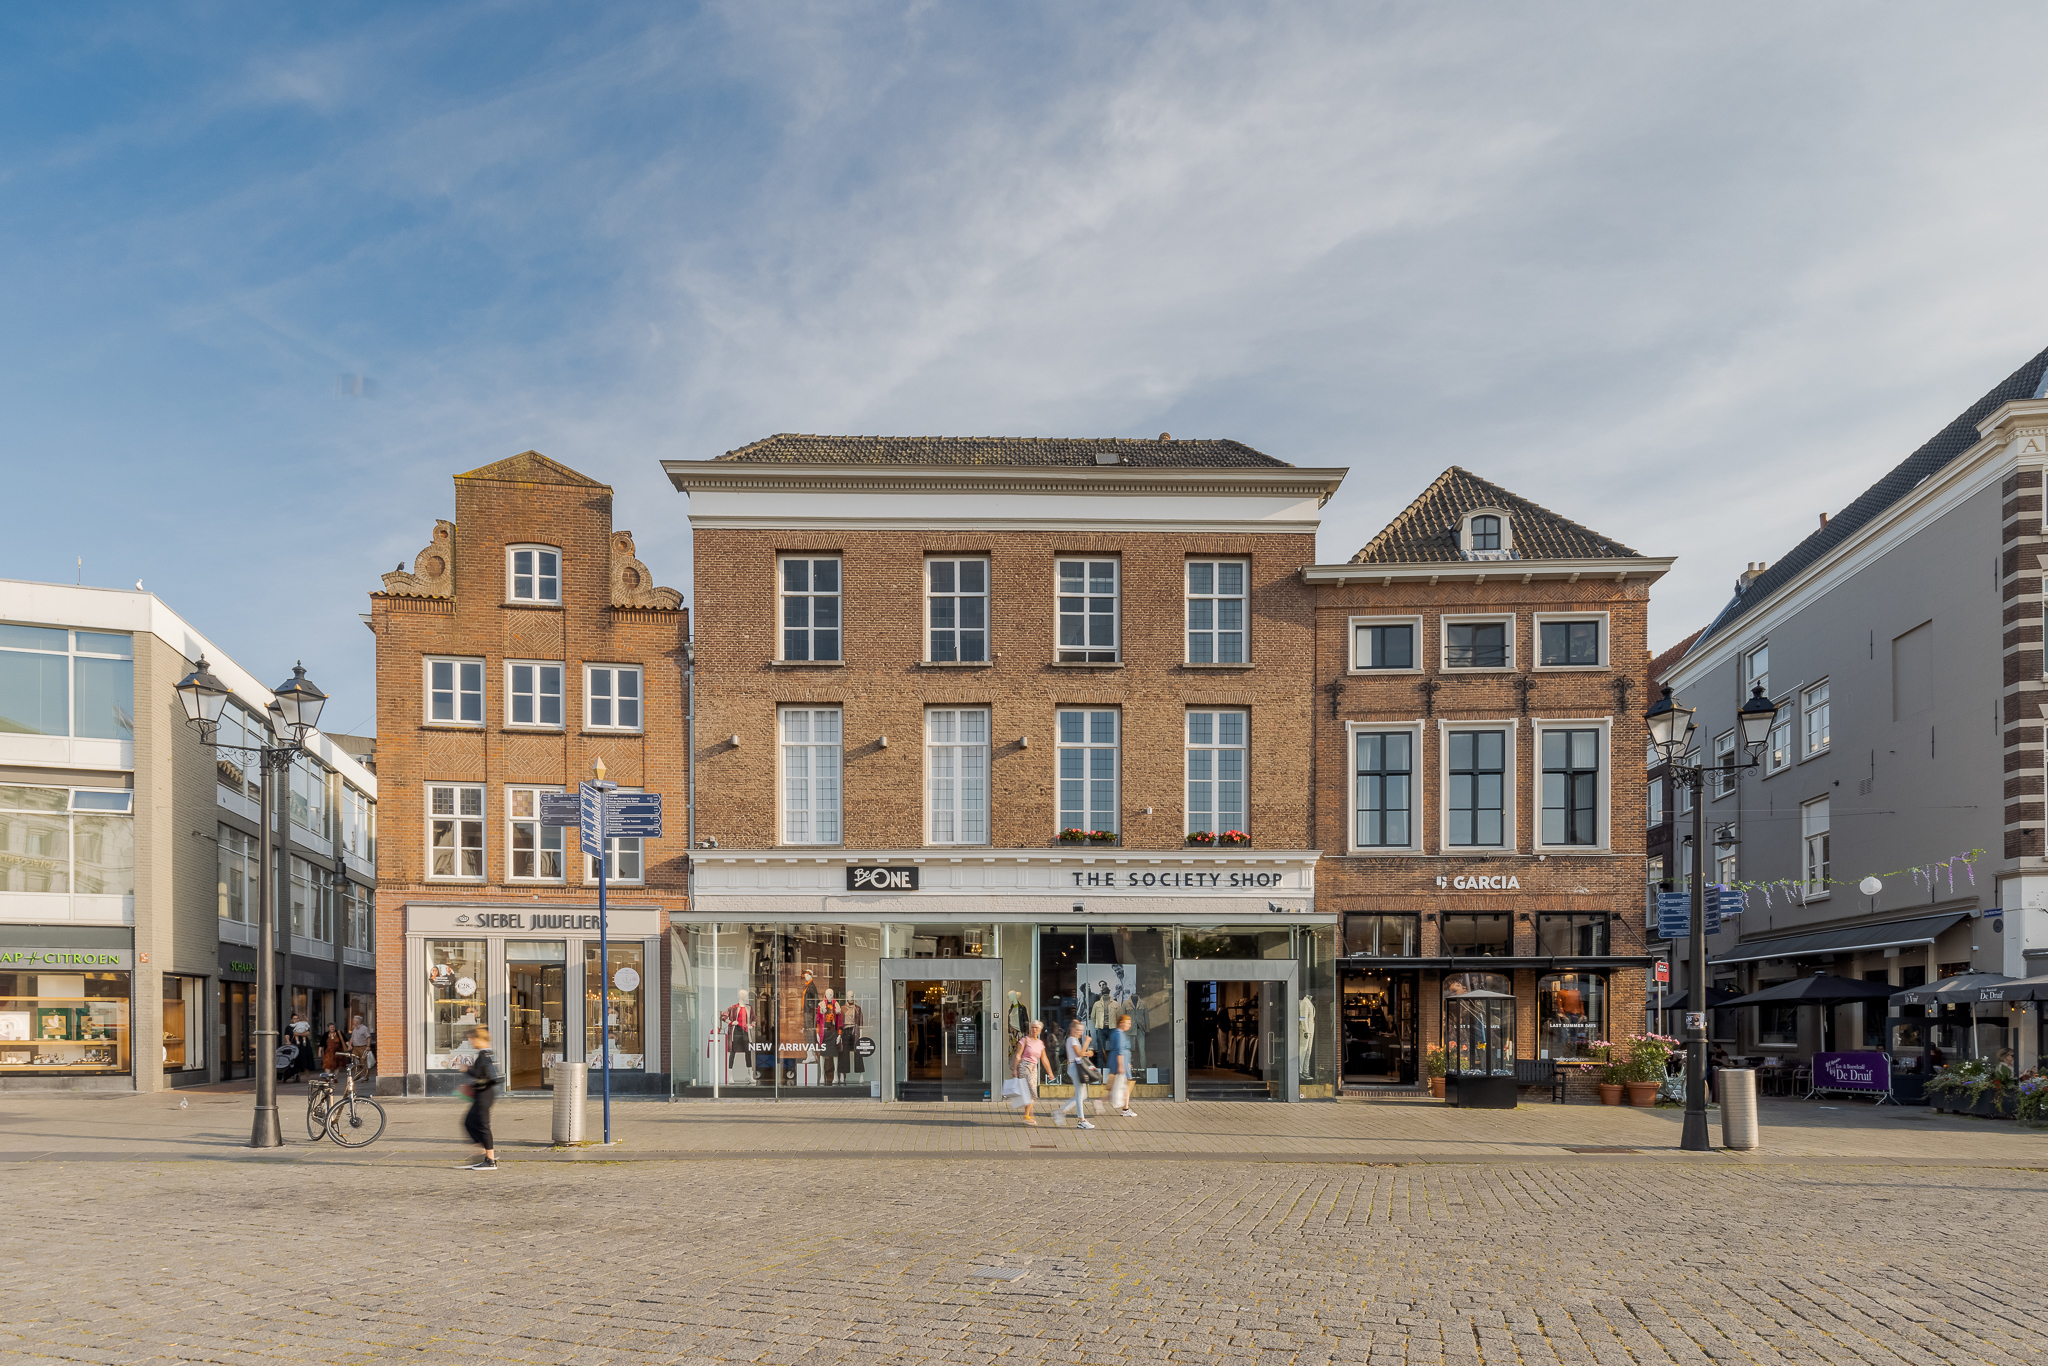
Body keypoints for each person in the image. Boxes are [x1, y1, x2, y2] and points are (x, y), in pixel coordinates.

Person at [460, 1025, 501, 1171]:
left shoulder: (484, 1055)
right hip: (483, 1093)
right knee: (469, 1122)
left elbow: (479, 1075)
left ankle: (490, 1160)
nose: (471, 1043)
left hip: (484, 1095)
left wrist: (467, 1069)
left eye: (471, 1039)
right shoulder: (487, 1054)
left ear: (478, 1039)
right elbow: (484, 1076)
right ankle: (484, 1154)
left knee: (482, 1126)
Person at [1054, 1019, 1096, 1130]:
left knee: (1083, 1095)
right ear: (1072, 1029)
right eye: (1077, 1030)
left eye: (1081, 1030)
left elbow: (1080, 1054)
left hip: (1075, 1067)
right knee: (1079, 1095)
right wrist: (1087, 1043)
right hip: (1075, 1068)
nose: (1079, 1032)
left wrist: (1086, 1052)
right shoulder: (1072, 1039)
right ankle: (1081, 1120)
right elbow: (1079, 1054)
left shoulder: (1073, 1040)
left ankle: (1061, 1111)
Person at [1012, 1020, 1055, 1126]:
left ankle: (1030, 1115)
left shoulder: (1040, 1043)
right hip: (1024, 1066)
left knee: (1031, 1092)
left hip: (1034, 1068)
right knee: (1031, 1091)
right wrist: (1015, 1069)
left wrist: (1050, 1073)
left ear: (1040, 1030)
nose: (1034, 1029)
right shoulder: (1024, 1040)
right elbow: (1018, 1055)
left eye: (1036, 1028)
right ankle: (1027, 1115)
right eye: (1032, 1027)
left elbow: (1044, 1058)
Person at [1108, 1013, 1137, 1118]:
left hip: (1122, 1063)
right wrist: (1121, 1065)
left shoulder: (1117, 1033)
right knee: (1125, 1087)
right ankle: (1125, 1109)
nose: (1129, 1025)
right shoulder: (1119, 1034)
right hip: (1121, 1064)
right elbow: (1120, 1051)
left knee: (1122, 1087)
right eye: (1128, 1023)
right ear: (1121, 1023)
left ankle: (1125, 1108)